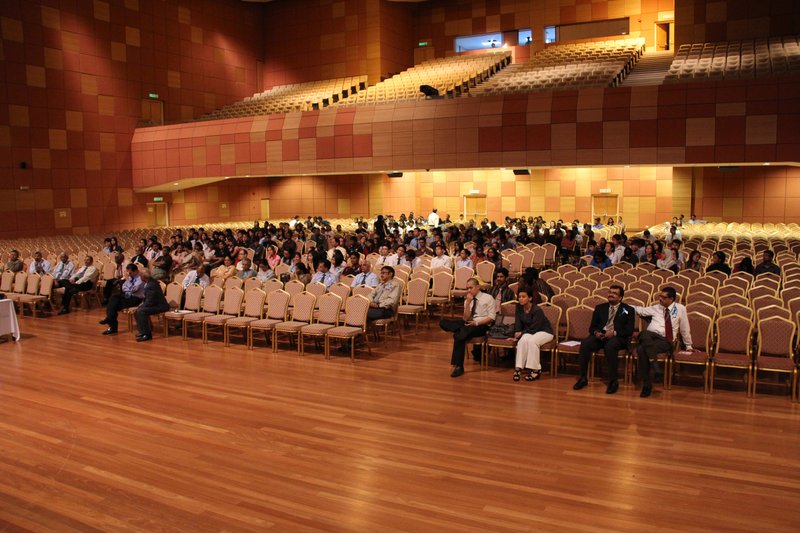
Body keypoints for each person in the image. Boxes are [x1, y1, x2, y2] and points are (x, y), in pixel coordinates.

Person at [573, 285, 635, 394]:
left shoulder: (628, 310)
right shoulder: (600, 308)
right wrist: (596, 333)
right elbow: (592, 327)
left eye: (614, 293)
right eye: (610, 292)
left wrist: (614, 333)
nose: (611, 294)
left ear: (620, 297)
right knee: (585, 344)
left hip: (618, 338)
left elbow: (629, 330)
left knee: (610, 346)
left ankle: (613, 381)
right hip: (601, 336)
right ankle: (583, 378)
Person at [632, 287, 693, 398]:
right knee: (645, 334)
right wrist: (622, 306)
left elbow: (685, 327)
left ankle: (647, 384)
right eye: (660, 296)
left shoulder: (680, 309)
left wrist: (688, 345)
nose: (660, 299)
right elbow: (639, 310)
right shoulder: (656, 308)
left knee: (641, 348)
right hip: (651, 338)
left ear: (671, 299)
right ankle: (654, 371)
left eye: (663, 297)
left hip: (666, 340)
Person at [439, 278, 495, 378]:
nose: (469, 290)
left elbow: (491, 318)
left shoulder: (488, 298)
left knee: (459, 335)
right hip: (468, 323)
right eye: (467, 288)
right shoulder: (468, 300)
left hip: (481, 325)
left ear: (478, 287)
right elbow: (465, 318)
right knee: (443, 322)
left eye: (471, 288)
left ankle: (459, 366)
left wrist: (476, 323)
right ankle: (460, 329)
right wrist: (468, 303)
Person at [512, 288, 554, 382]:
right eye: (519, 297)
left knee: (532, 341)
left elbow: (535, 327)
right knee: (522, 340)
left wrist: (521, 333)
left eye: (523, 297)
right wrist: (517, 333)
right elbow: (518, 322)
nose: (521, 299)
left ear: (530, 298)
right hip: (530, 331)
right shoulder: (519, 307)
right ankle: (518, 368)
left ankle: (536, 370)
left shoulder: (537, 310)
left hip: (545, 331)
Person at [100, 263, 144, 335]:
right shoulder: (131, 277)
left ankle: (112, 325)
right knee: (113, 299)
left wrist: (128, 282)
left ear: (136, 271)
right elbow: (124, 287)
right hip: (127, 296)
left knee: (113, 306)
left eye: (130, 272)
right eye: (128, 272)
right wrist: (129, 287)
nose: (129, 274)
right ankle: (110, 319)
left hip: (136, 299)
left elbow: (134, 289)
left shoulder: (141, 278)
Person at [134, 268, 170, 342]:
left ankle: (147, 334)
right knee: (138, 310)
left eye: (140, 276)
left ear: (143, 277)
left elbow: (150, 301)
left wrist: (141, 306)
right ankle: (142, 331)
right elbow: (148, 298)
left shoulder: (151, 285)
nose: (139, 277)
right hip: (154, 304)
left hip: (160, 306)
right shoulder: (150, 282)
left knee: (141, 311)